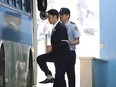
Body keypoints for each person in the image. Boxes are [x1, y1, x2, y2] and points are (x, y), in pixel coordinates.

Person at [36, 9, 70, 87]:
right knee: (40, 59)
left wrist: (53, 48)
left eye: (50, 17)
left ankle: (50, 77)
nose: (48, 19)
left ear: (55, 17)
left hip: (62, 56)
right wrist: (51, 47)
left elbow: (64, 42)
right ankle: (49, 75)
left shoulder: (60, 27)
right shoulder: (55, 27)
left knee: (59, 77)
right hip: (56, 54)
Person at [59, 7, 80, 87]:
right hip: (61, 53)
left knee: (70, 74)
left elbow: (77, 41)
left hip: (70, 53)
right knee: (60, 74)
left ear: (67, 15)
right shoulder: (59, 26)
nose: (61, 16)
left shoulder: (72, 26)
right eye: (60, 15)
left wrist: (71, 43)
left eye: (62, 15)